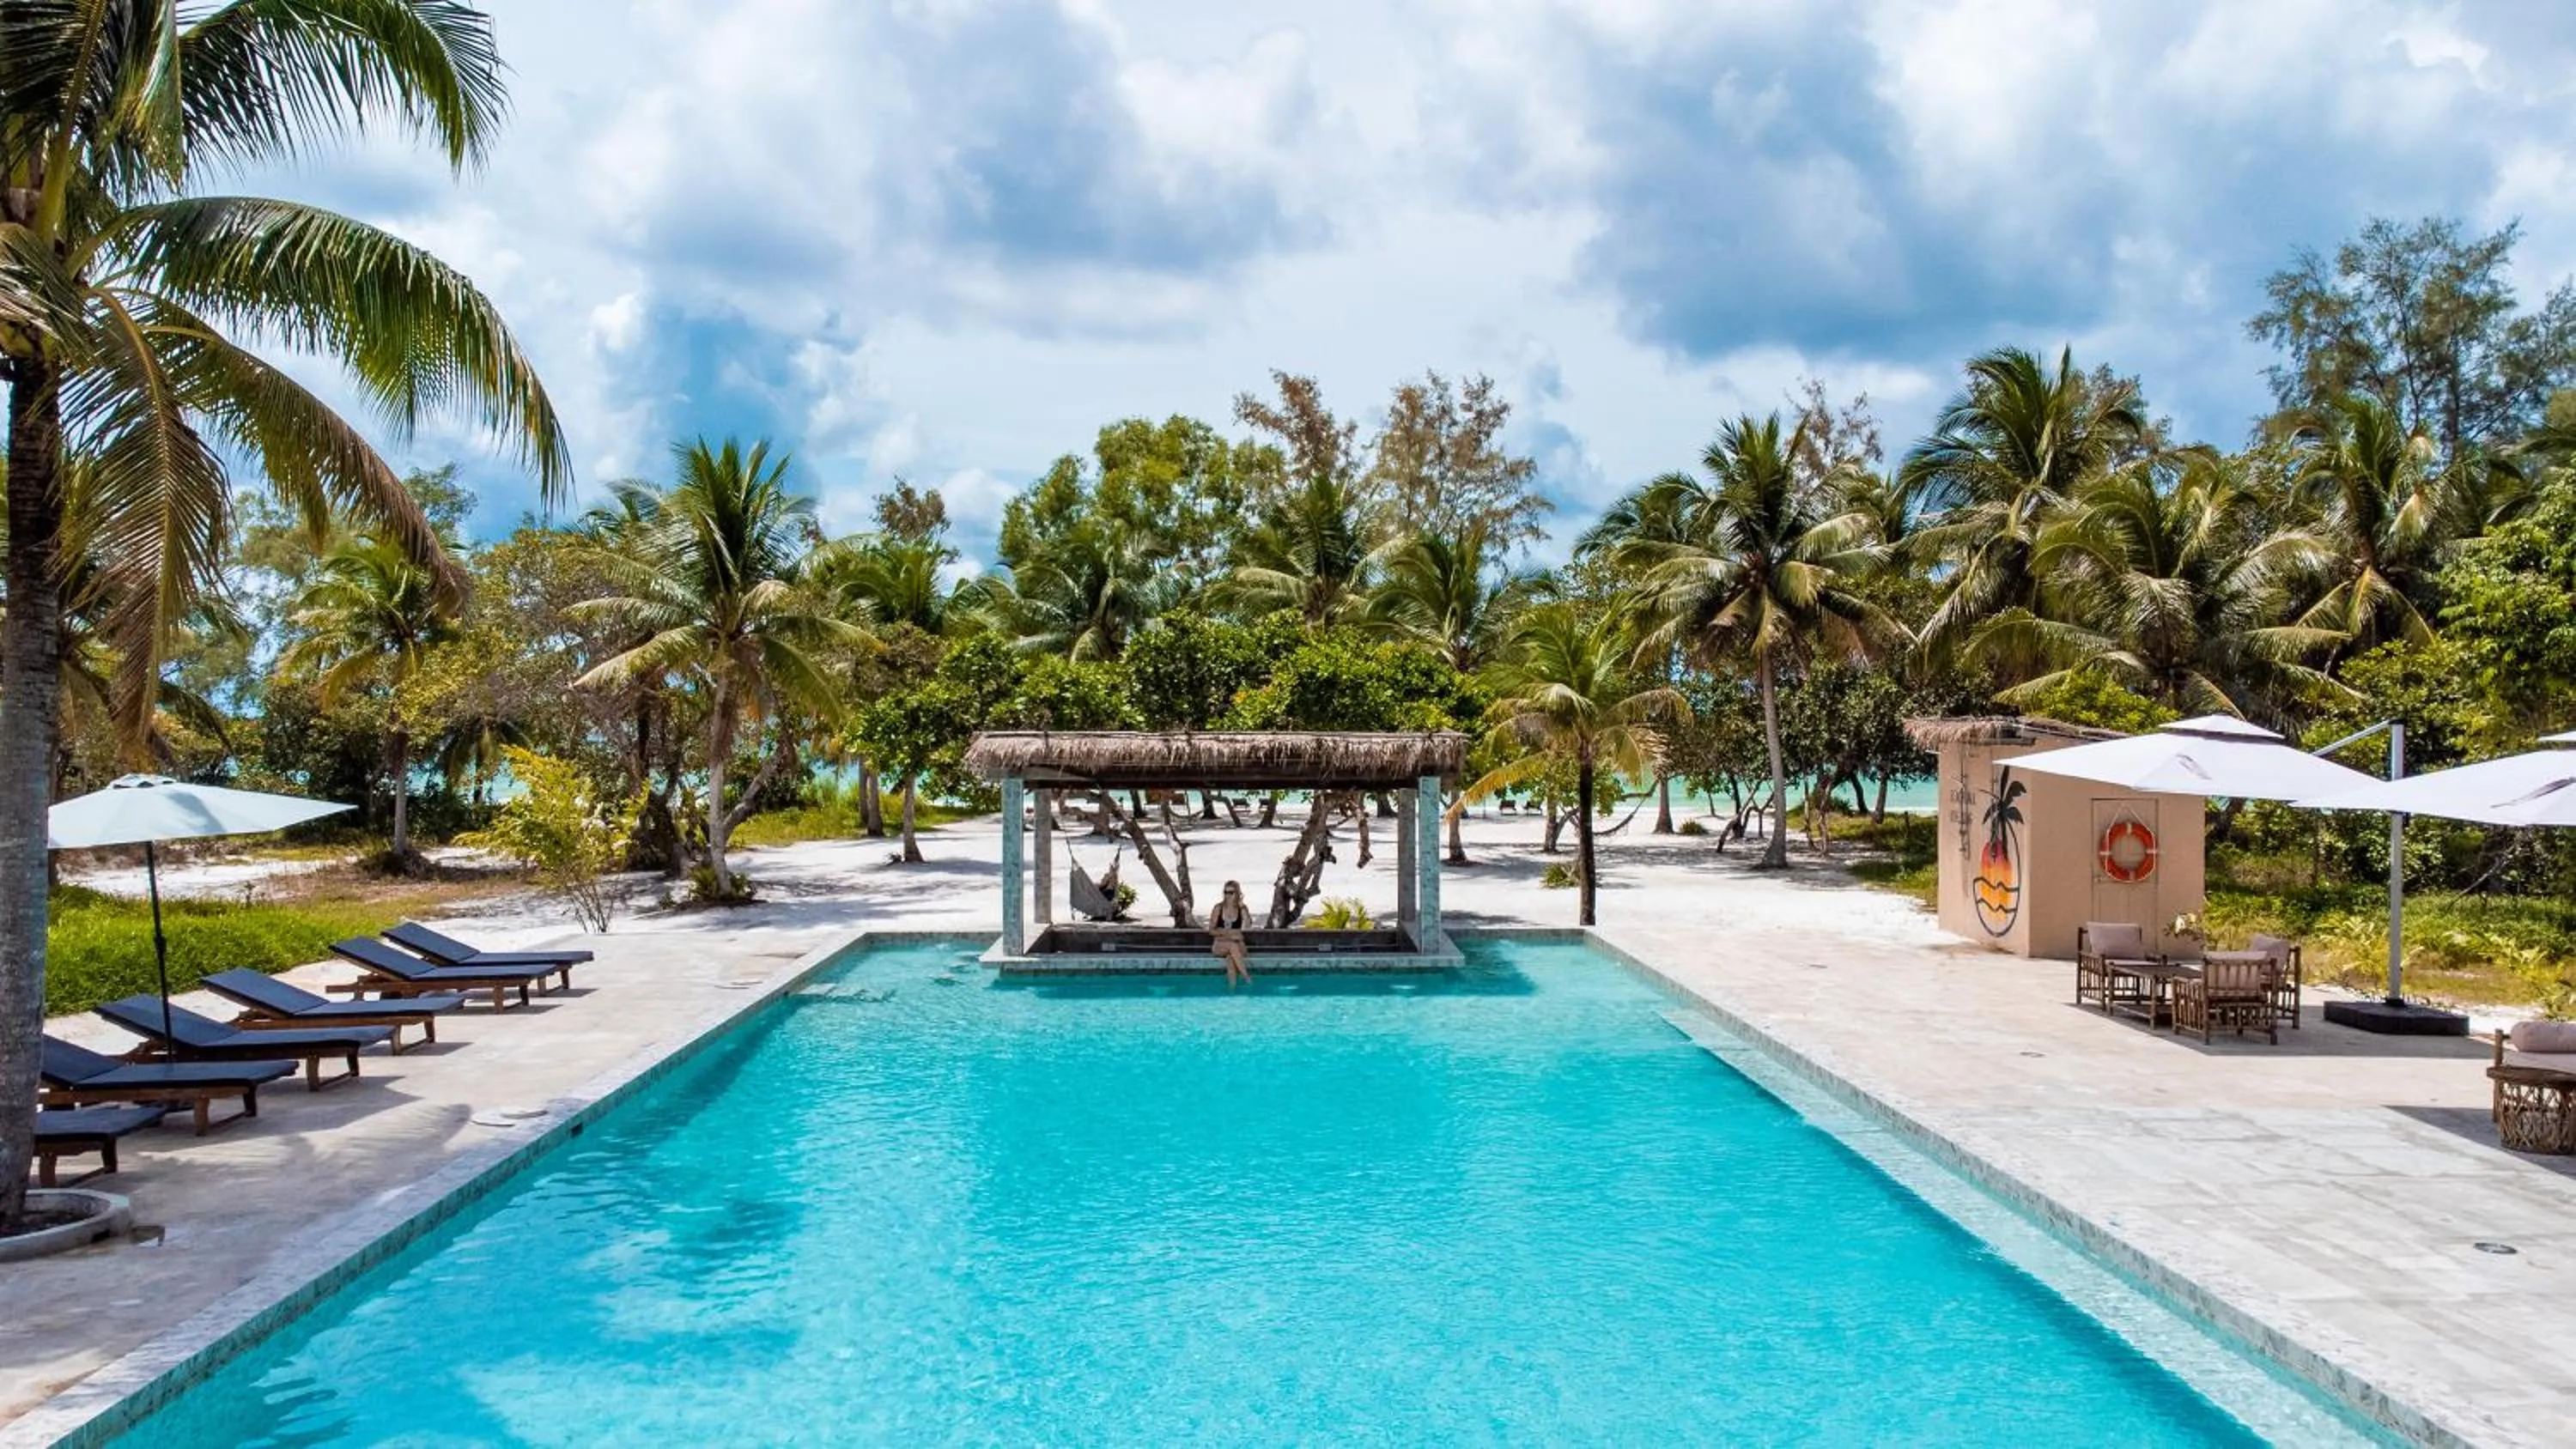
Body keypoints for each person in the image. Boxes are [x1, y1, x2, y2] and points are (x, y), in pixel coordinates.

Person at [1207, 880, 1253, 988]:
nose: (1228, 895)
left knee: (1230, 960)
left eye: (1231, 893)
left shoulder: (1242, 908)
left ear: (1237, 893)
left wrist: (1242, 907)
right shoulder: (1218, 908)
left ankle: (1232, 989)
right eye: (1225, 892)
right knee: (1232, 945)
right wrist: (1229, 935)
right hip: (1220, 945)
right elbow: (1211, 930)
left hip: (1238, 946)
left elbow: (1248, 925)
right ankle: (1247, 978)